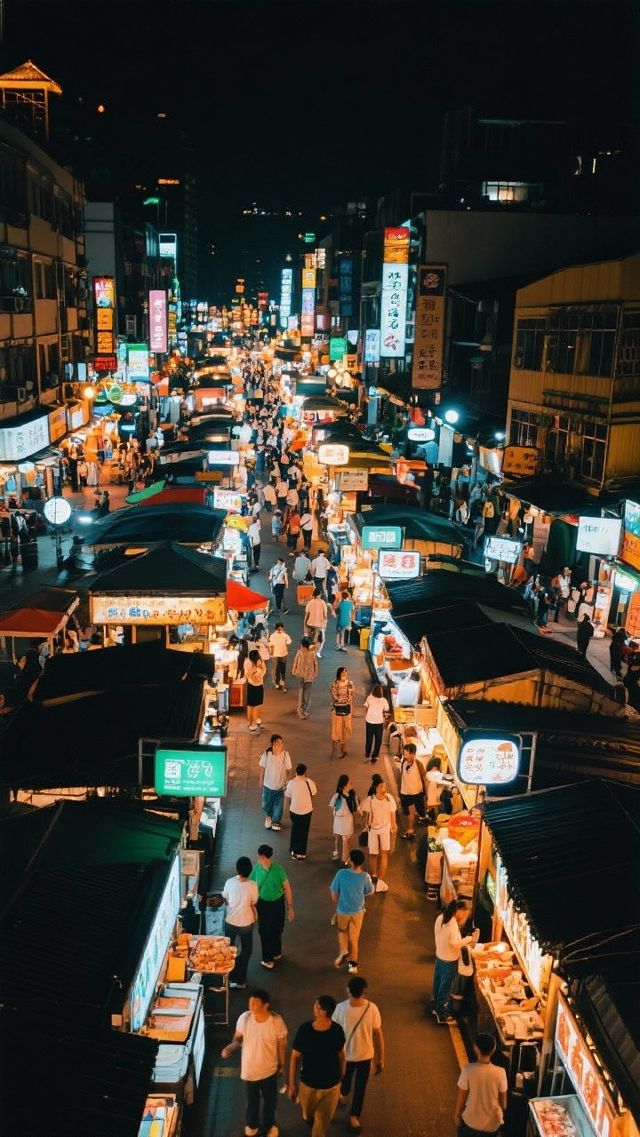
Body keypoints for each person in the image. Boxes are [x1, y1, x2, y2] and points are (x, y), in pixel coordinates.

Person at [220, 988, 287, 1137]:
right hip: (250, 1070)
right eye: (250, 1002)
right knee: (252, 1102)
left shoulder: (276, 1021)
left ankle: (269, 1125)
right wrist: (231, 1047)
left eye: (256, 1003)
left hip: (269, 1070)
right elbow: (238, 1038)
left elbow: (282, 1045)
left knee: (270, 1103)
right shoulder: (244, 1018)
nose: (251, 1005)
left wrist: (282, 1065)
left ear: (266, 1005)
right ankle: (252, 1125)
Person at [288, 996, 346, 1137]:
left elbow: (341, 1054)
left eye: (317, 1006)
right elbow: (295, 1057)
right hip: (308, 1085)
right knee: (308, 1114)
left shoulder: (337, 1030)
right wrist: (292, 1085)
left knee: (321, 1125)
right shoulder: (305, 1029)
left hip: (330, 1087)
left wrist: (341, 1076)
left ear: (324, 1011)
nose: (314, 1008)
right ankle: (308, 1117)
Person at [333, 976, 384, 1133]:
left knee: (345, 1080)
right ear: (364, 991)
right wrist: (380, 1058)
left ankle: (344, 1094)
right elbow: (378, 1034)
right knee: (360, 1088)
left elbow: (334, 1033)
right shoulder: (372, 1008)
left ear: (348, 990)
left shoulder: (340, 1009)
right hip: (365, 1057)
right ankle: (354, 1117)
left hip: (345, 1057)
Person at [249, 845, 295, 969]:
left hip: (263, 904)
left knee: (265, 931)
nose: (258, 858)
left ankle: (268, 959)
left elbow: (250, 886)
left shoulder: (257, 869)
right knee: (277, 927)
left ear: (263, 856)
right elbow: (287, 888)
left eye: (259, 856)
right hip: (278, 903)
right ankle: (276, 952)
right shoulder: (279, 869)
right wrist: (290, 907)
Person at [454, 1033, 508, 1137]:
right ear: (493, 1050)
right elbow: (504, 1105)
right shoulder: (501, 1072)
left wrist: (456, 1115)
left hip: (470, 1123)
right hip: (492, 1126)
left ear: (476, 1049)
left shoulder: (467, 1070)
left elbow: (462, 1098)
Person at [433, 900, 478, 1024]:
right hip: (449, 961)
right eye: (465, 915)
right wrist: (469, 939)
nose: (464, 918)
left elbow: (438, 934)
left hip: (439, 957)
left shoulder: (441, 918)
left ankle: (436, 1005)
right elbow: (454, 943)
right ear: (460, 912)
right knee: (445, 987)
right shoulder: (452, 925)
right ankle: (441, 1013)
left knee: (438, 983)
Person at [330, 848, 374, 975]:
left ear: (351, 861)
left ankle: (344, 950)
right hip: (358, 911)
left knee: (342, 931)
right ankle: (353, 965)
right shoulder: (365, 876)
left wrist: (338, 902)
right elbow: (369, 891)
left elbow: (334, 893)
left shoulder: (341, 874)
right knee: (354, 938)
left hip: (343, 910)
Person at [222, 856, 259, 989]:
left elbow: (224, 896)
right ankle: (241, 980)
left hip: (230, 921)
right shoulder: (253, 885)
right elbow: (254, 902)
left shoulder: (230, 882)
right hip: (246, 923)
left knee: (228, 950)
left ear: (237, 869)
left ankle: (230, 977)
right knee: (247, 950)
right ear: (250, 871)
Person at [359, 776, 397, 892]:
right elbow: (364, 814)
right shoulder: (370, 800)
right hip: (373, 830)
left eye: (384, 786)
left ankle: (380, 880)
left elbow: (392, 814)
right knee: (373, 854)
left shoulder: (389, 798)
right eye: (381, 786)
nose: (384, 788)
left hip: (385, 829)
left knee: (384, 854)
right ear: (376, 788)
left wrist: (394, 826)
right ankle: (374, 876)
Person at [259, 734, 293, 832]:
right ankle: (268, 818)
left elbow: (289, 769)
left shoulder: (285, 754)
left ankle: (276, 821)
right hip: (268, 785)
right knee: (267, 803)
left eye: (282, 743)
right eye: (279, 743)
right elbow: (262, 769)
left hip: (280, 785)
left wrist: (287, 781)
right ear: (274, 743)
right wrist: (260, 780)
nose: (281, 745)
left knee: (279, 805)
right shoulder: (266, 754)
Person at [285, 762, 317, 860]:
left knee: (295, 829)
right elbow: (314, 793)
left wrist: (285, 809)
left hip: (294, 810)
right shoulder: (309, 782)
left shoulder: (291, 783)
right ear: (305, 772)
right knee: (304, 831)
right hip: (307, 811)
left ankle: (293, 850)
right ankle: (302, 852)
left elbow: (287, 796)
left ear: (296, 772)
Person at [396, 741, 428, 838]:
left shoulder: (419, 765)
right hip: (404, 792)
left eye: (407, 753)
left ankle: (410, 829)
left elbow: (424, 778)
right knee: (407, 812)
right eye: (404, 753)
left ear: (413, 754)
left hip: (416, 793)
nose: (405, 756)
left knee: (412, 810)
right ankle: (416, 822)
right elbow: (402, 776)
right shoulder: (403, 762)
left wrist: (425, 793)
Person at [330, 774, 359, 863]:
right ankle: (345, 860)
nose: (351, 784)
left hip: (345, 821)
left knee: (345, 840)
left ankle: (343, 856)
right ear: (345, 785)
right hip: (342, 821)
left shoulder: (351, 795)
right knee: (345, 840)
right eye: (350, 783)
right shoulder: (337, 796)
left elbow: (357, 807)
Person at [329, 666, 355, 759]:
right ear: (339, 674)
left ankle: (344, 750)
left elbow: (351, 697)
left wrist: (343, 700)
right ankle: (334, 750)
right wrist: (344, 700)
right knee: (336, 731)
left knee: (345, 730)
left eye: (345, 672)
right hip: (337, 711)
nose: (344, 674)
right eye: (342, 673)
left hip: (347, 711)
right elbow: (335, 697)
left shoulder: (350, 684)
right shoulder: (334, 684)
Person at [291, 635, 319, 719]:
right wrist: (293, 670)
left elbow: (315, 664)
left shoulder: (309, 652)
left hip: (306, 675)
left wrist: (315, 673)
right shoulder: (303, 652)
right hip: (303, 675)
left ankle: (303, 709)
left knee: (305, 692)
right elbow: (296, 661)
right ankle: (301, 709)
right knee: (303, 692)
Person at [363, 683, 389, 763]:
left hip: (369, 721)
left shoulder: (369, 698)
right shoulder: (384, 700)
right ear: (381, 691)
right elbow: (386, 710)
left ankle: (367, 754)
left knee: (369, 739)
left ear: (373, 691)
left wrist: (369, 714)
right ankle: (375, 756)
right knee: (378, 740)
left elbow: (365, 707)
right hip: (379, 722)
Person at [244, 649, 267, 732]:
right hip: (253, 686)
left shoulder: (260, 662)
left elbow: (264, 670)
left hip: (258, 685)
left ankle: (254, 721)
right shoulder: (248, 663)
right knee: (253, 705)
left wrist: (260, 675)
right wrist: (255, 669)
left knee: (255, 705)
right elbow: (247, 675)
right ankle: (252, 723)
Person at [268, 622, 292, 691]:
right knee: (281, 669)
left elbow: (270, 644)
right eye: (280, 627)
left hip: (278, 655)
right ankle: (280, 681)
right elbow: (289, 642)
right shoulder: (284, 635)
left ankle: (278, 682)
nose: (280, 629)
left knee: (278, 669)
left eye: (281, 627)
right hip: (281, 654)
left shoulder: (273, 635)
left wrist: (271, 653)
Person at [305, 588, 328, 655]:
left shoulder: (310, 602)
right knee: (320, 640)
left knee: (310, 639)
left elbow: (306, 615)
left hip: (309, 623)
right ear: (318, 595)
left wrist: (305, 626)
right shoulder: (322, 603)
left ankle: (309, 651)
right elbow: (325, 615)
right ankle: (315, 652)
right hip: (318, 625)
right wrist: (325, 624)